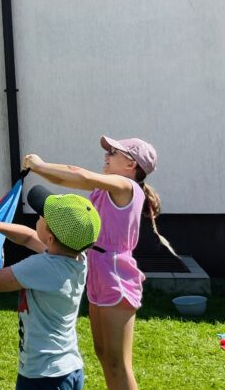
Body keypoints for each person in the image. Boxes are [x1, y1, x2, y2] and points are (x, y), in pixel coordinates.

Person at [23, 137, 170, 390]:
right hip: (98, 272)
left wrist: (40, 166)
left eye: (114, 152)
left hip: (115, 277)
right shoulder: (106, 190)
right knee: (104, 356)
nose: (107, 155)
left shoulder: (126, 186)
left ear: (131, 164)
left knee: (118, 364)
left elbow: (78, 175)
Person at [0, 185, 101, 390]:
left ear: (50, 238)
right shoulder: (77, 257)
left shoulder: (43, 267)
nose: (37, 218)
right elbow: (29, 237)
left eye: (41, 217)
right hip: (67, 369)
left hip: (43, 376)